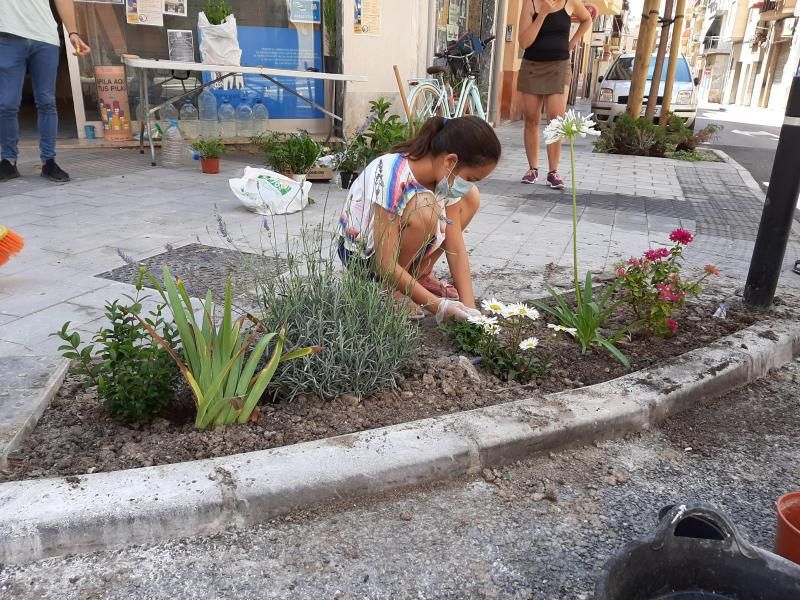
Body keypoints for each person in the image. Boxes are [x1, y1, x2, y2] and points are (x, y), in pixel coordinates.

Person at [337, 115, 501, 322]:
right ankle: (391, 291)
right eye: (470, 178)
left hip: (395, 252)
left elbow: (455, 247)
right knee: (425, 210)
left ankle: (416, 277)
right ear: (450, 161)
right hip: (363, 257)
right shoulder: (391, 173)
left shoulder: (443, 181)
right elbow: (384, 264)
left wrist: (471, 311)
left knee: (471, 197)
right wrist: (440, 307)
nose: (467, 184)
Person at [0, 0, 91, 183]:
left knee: (46, 101)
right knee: (6, 103)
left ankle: (49, 161)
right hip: (8, 37)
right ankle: (8, 161)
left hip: (45, 38)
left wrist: (72, 32)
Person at [517, 0, 591, 189]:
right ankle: (533, 169)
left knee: (556, 119)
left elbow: (587, 20)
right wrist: (542, 15)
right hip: (532, 66)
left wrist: (573, 42)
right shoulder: (530, 3)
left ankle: (553, 171)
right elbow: (525, 42)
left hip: (559, 66)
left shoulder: (569, 2)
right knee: (532, 119)